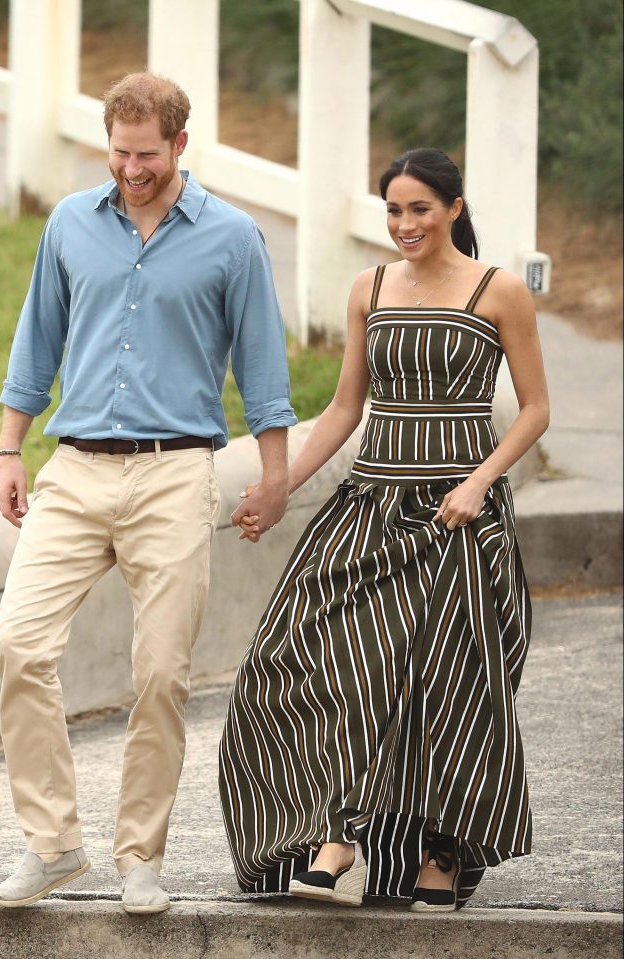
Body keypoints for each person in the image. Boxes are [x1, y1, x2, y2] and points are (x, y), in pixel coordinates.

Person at [0, 72, 296, 914]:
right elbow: (34, 343)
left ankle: (139, 858)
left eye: (147, 155)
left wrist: (273, 478)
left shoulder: (233, 238)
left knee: (160, 673)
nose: (131, 169)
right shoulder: (69, 225)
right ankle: (52, 843)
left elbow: (263, 371)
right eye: (119, 153)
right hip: (76, 467)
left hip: (173, 470)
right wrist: (9, 449)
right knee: (18, 640)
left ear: (180, 146)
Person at [220, 147, 549, 911]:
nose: (404, 224)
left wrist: (477, 481)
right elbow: (343, 408)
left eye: (419, 209)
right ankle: (335, 838)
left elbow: (534, 408)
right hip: (369, 508)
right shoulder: (368, 287)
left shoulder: (498, 290)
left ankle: (438, 851)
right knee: (295, 661)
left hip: (458, 519)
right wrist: (280, 487)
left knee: (446, 683)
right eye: (393, 210)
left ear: (453, 209)